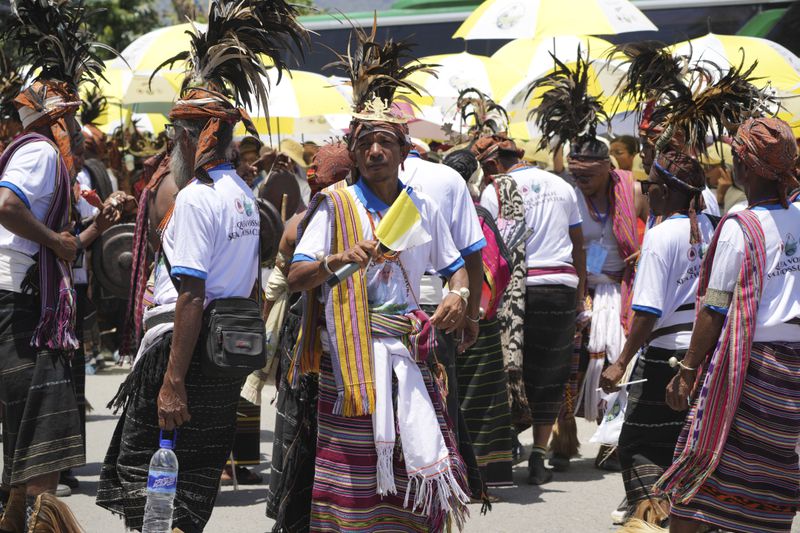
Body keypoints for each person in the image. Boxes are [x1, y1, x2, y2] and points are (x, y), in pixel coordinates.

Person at [96, 3, 306, 531]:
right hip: (223, 350)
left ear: (196, 137)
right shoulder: (241, 194)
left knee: (146, 481)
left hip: (182, 348)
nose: (172, 148)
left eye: (176, 137)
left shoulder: (195, 199)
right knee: (193, 480)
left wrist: (171, 382)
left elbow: (190, 295)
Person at [288, 25, 470, 532]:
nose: (374, 152)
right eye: (365, 143)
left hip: (411, 352)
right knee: (352, 483)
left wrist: (460, 295)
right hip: (350, 362)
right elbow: (296, 275)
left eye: (384, 142)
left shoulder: (422, 206)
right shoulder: (336, 207)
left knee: (415, 477)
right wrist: (340, 256)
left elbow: (455, 270)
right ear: (353, 151)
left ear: (403, 150)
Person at [0, 0, 126, 528]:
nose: (77, 126)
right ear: (55, 120)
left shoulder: (49, 158)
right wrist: (56, 239)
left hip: (32, 302)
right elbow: (8, 208)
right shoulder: (41, 153)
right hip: (23, 303)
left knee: (32, 430)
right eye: (70, 116)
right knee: (41, 434)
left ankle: (19, 519)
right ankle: (32, 520)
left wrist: (100, 223)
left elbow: (67, 246)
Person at [655, 117, 800, 533]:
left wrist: (686, 371)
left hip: (749, 371)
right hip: (790, 379)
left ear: (748, 167)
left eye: (736, 156)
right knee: (769, 480)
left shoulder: (740, 227)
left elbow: (715, 308)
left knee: (700, 467)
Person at [599, 150, 716, 526]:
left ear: (664, 192)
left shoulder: (660, 235)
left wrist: (621, 362)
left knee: (637, 445)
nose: (646, 193)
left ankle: (656, 519)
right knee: (688, 445)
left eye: (649, 186)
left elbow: (647, 310)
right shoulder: (715, 228)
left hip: (665, 357)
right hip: (705, 354)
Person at [473, 132, 586, 485]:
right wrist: (580, 296)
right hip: (561, 287)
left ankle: (508, 445)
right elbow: (578, 245)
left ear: (492, 164)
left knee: (511, 368)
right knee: (551, 373)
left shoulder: (494, 191)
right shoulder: (562, 185)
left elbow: (489, 252)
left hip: (517, 293)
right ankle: (538, 454)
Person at [264, 141, 350, 532]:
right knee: (306, 437)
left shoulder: (306, 217)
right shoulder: (312, 219)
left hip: (319, 345)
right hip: (312, 345)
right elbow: (284, 282)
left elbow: (274, 289)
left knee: (308, 439)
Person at [443, 149, 514, 488]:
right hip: (476, 318)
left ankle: (451, 473)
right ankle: (482, 477)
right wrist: (479, 309)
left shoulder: (431, 206)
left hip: (441, 314)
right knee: (480, 399)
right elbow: (497, 265)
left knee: (448, 394)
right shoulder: (478, 214)